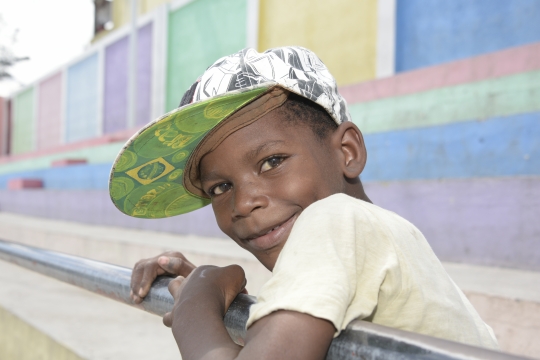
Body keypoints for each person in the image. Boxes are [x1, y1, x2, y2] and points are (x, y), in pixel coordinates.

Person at [109, 46, 499, 359]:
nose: (243, 202)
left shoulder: (337, 220)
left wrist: (197, 308)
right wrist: (227, 305)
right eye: (220, 188)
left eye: (272, 162)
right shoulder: (370, 232)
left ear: (347, 151)